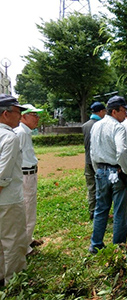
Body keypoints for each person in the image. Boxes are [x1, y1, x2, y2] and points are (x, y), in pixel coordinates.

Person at [89, 96, 127, 254]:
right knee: (120, 210)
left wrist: (97, 170)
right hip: (116, 171)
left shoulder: (96, 126)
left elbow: (92, 151)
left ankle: (95, 244)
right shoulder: (118, 127)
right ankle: (118, 246)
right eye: (123, 110)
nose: (125, 114)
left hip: (101, 170)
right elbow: (121, 151)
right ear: (115, 111)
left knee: (101, 209)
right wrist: (125, 169)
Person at [0, 94, 28, 286]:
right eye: (18, 112)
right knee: (14, 240)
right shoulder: (10, 138)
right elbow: (3, 174)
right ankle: (15, 281)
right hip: (8, 198)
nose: (20, 116)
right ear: (5, 114)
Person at [14, 104, 44, 254]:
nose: (37, 118)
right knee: (27, 209)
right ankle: (25, 246)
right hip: (25, 176)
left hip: (28, 174)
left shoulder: (25, 132)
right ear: (24, 116)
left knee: (29, 208)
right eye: (34, 115)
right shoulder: (21, 133)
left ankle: (28, 239)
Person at [82, 102, 106, 220]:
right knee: (101, 187)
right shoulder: (100, 125)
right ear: (101, 111)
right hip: (98, 161)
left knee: (91, 187)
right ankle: (100, 212)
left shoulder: (85, 125)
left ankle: (92, 211)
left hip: (87, 160)